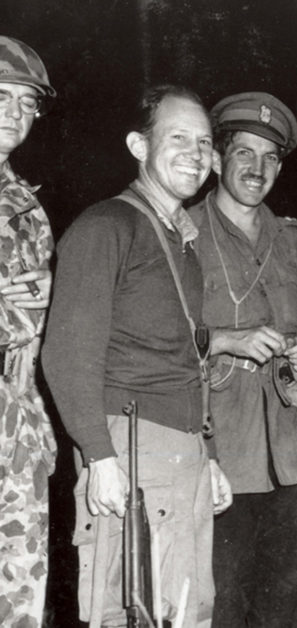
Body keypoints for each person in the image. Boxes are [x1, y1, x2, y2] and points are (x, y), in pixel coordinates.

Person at [43, 85, 233, 627]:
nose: (196, 154)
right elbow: (65, 354)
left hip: (184, 452)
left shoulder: (182, 242)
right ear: (138, 145)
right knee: (128, 610)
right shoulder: (107, 227)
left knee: (188, 607)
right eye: (178, 138)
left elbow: (185, 357)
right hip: (130, 447)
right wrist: (99, 457)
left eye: (204, 142)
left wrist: (210, 453)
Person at [187, 92, 297, 627]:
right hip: (219, 453)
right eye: (245, 153)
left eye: (270, 158)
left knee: (286, 609)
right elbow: (157, 340)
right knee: (222, 605)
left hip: (295, 456)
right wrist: (225, 338)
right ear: (216, 159)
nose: (258, 169)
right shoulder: (183, 235)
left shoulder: (294, 241)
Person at [0, 36, 57, 627]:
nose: (16, 113)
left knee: (20, 588)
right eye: (3, 97)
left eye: (26, 102)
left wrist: (50, 291)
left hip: (14, 414)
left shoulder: (26, 203)